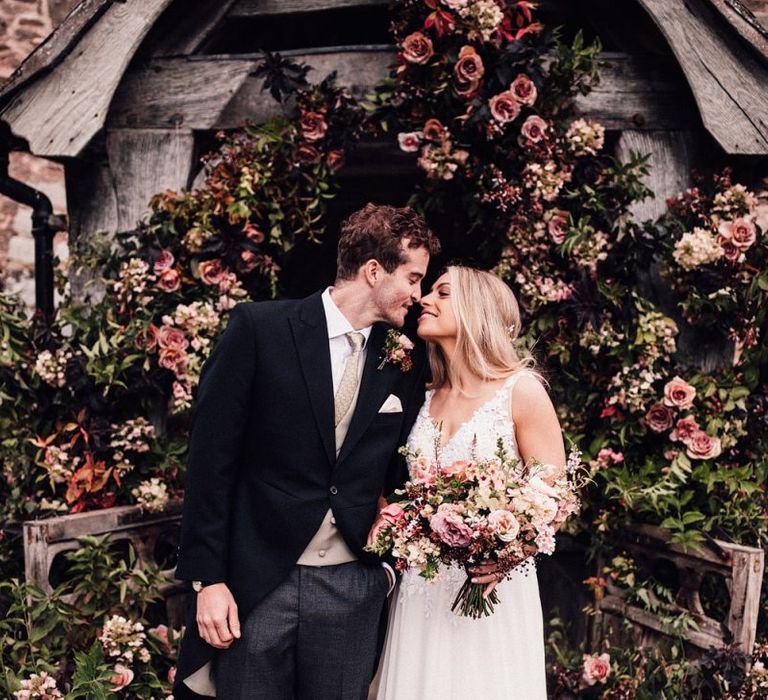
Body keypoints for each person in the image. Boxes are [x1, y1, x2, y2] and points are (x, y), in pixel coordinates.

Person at [173, 203, 441, 699]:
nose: (418, 295)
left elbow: (403, 474)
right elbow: (211, 463)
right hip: (256, 587)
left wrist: (382, 572)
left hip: (351, 589)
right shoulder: (260, 329)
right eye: (413, 277)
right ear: (374, 270)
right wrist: (207, 581)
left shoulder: (403, 360)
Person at [371, 265, 565, 699]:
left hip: (492, 586)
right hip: (424, 587)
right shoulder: (419, 397)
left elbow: (554, 499)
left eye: (442, 292)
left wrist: (504, 556)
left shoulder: (521, 391)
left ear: (477, 310)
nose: (425, 299)